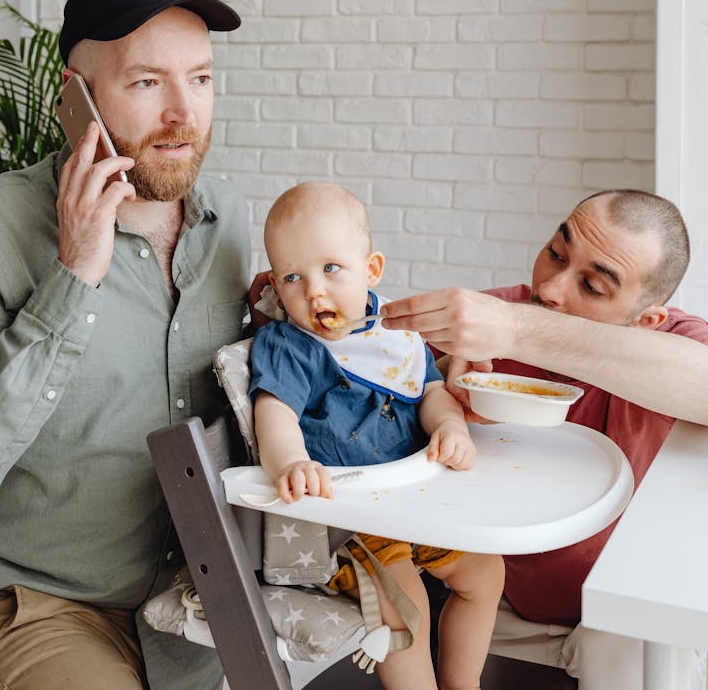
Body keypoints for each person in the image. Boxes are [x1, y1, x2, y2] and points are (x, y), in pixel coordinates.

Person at [0, 0, 251, 690]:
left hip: (193, 606)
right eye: (147, 82)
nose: (184, 112)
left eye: (202, 78)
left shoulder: (232, 221)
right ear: (75, 98)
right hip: (39, 597)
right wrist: (73, 276)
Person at [380, 188, 708, 687]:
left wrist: (518, 329)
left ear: (646, 321)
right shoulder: (488, 326)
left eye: (593, 286)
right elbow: (370, 365)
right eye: (556, 253)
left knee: (639, 655)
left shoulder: (668, 344)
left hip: (617, 621)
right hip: (496, 604)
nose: (551, 288)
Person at [250, 181, 505, 690]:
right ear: (276, 287)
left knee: (486, 574)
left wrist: (450, 424)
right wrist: (290, 463)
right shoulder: (293, 346)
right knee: (406, 608)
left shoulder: (393, 330)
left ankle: (464, 683)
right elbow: (273, 412)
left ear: (371, 271)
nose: (313, 292)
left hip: (415, 502)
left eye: (330, 269)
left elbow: (429, 390)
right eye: (293, 277)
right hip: (350, 522)